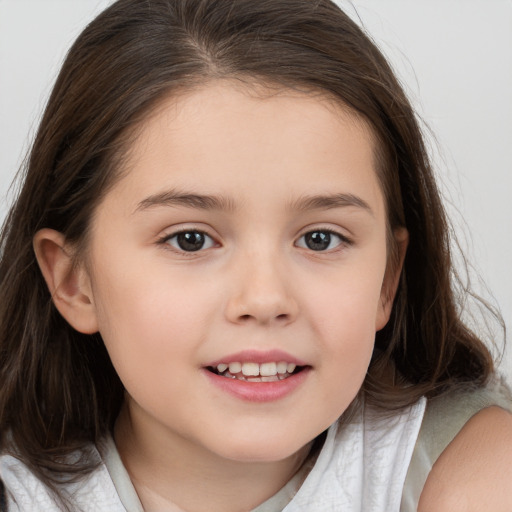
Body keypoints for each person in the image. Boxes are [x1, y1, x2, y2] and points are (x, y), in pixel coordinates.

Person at [0, 0, 511, 510]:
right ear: (73, 280)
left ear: (386, 279)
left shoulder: (471, 473)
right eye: (190, 239)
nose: (265, 299)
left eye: (320, 239)